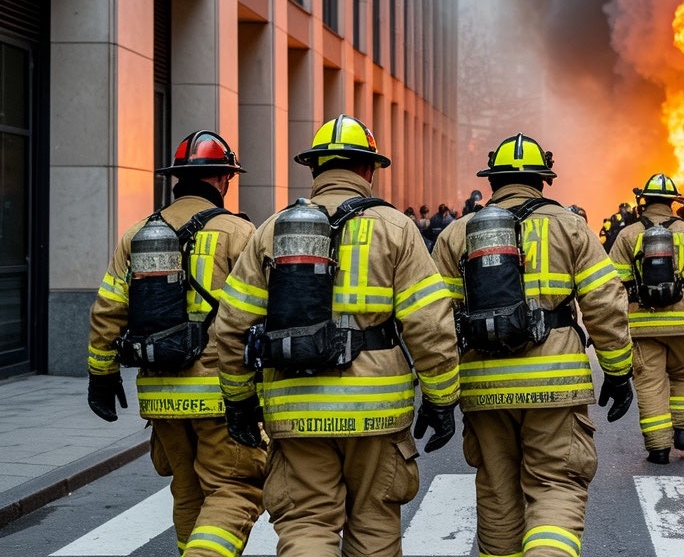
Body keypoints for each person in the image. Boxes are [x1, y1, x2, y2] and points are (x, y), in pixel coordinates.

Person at [214, 114, 460, 557]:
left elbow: (231, 325)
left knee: (307, 526)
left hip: (295, 409)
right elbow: (431, 325)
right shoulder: (397, 228)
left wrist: (239, 402)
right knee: (374, 527)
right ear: (368, 169)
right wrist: (441, 399)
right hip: (377, 411)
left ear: (314, 169)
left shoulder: (272, 229)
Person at [431, 132, 634, 557]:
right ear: (543, 181)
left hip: (483, 386)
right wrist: (617, 371)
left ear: (492, 181)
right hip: (555, 382)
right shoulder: (570, 226)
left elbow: (437, 322)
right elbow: (605, 304)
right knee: (556, 485)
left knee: (497, 493)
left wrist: (441, 395)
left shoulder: (457, 234)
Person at [87, 130, 266, 556]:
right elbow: (261, 313)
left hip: (160, 392)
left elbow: (107, 310)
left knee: (187, 492)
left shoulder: (138, 234)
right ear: (222, 178)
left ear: (177, 179)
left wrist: (101, 375)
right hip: (221, 394)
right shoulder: (239, 232)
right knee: (234, 489)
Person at [608, 173, 684, 465]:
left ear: (644, 201)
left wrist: (614, 325)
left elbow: (614, 286)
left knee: (650, 383)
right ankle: (683, 433)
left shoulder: (628, 235)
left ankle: (658, 448)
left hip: (642, 324)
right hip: (682, 322)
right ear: (673, 202)